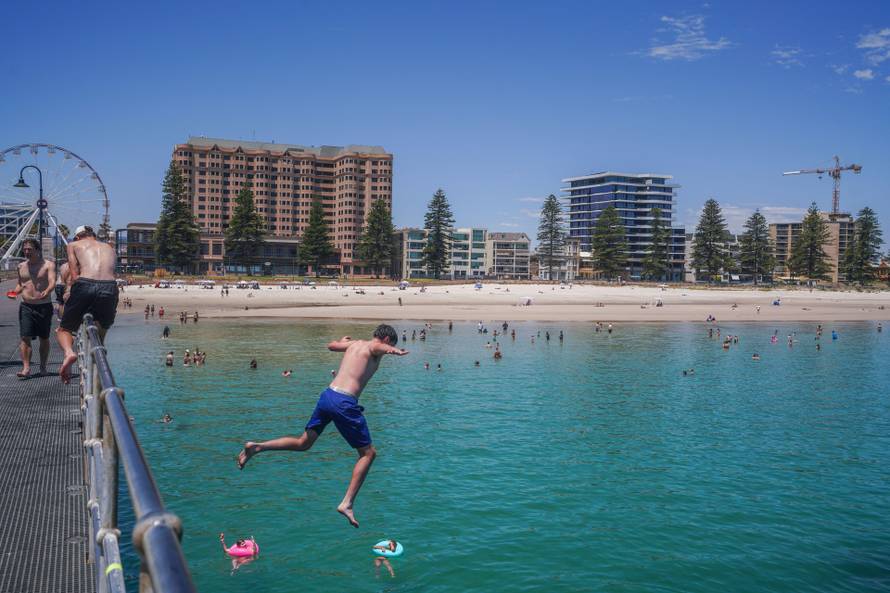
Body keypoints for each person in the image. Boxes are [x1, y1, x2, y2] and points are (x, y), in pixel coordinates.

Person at [237, 325, 408, 528]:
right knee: (368, 454)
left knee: (304, 442)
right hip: (344, 401)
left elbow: (331, 345)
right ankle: (347, 503)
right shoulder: (374, 347)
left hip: (328, 395)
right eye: (391, 344)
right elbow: (378, 348)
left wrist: (341, 340)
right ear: (387, 338)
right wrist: (394, 351)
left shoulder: (355, 344)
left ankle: (257, 447)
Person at [56, 226, 118, 383]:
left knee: (64, 329)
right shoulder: (109, 248)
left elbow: (74, 270)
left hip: (85, 283)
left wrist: (71, 290)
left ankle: (69, 353)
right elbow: (111, 270)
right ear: (93, 236)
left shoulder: (73, 245)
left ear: (77, 237)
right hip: (109, 286)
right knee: (102, 326)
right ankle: (99, 363)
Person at [11, 238, 56, 377]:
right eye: (25, 249)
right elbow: (21, 284)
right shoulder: (21, 266)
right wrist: (14, 292)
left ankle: (43, 367)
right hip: (26, 306)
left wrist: (47, 291)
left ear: (37, 250)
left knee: (44, 337)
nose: (26, 252)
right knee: (25, 336)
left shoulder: (48, 265)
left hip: (43, 306)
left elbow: (52, 282)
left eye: (29, 249)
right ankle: (26, 368)